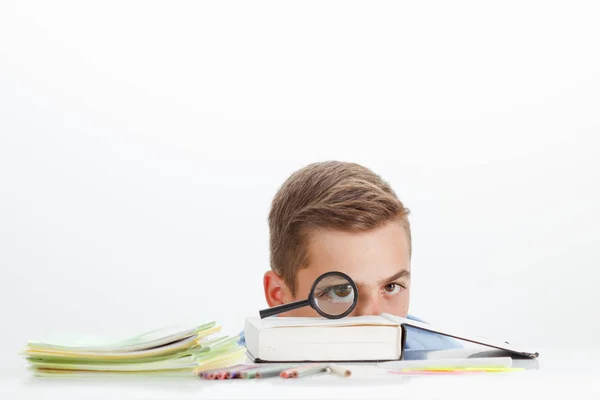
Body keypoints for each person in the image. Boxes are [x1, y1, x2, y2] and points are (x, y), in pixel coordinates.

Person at [243, 161, 459, 350]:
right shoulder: (228, 381)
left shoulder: (452, 367)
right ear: (278, 294)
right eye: (340, 291)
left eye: (391, 287)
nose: (372, 321)